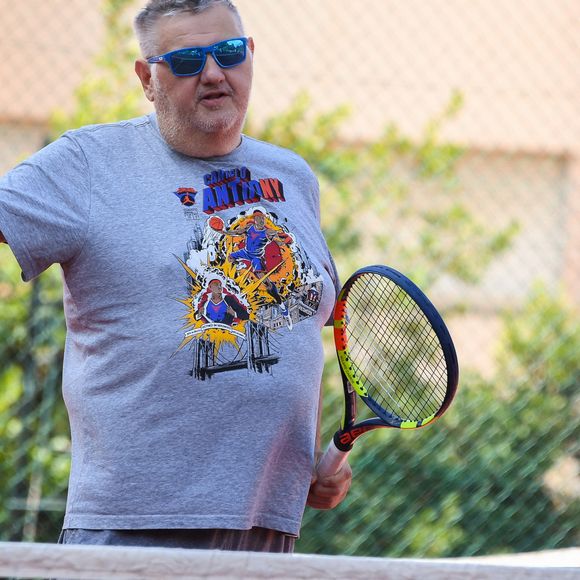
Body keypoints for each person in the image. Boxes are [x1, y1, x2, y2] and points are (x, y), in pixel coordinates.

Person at [0, 0, 351, 553]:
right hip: (134, 525)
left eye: (229, 53)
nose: (214, 73)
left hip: (267, 525)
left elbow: (296, 324)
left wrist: (308, 459)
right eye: (186, 60)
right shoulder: (90, 163)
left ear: (250, 56)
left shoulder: (293, 176)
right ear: (147, 77)